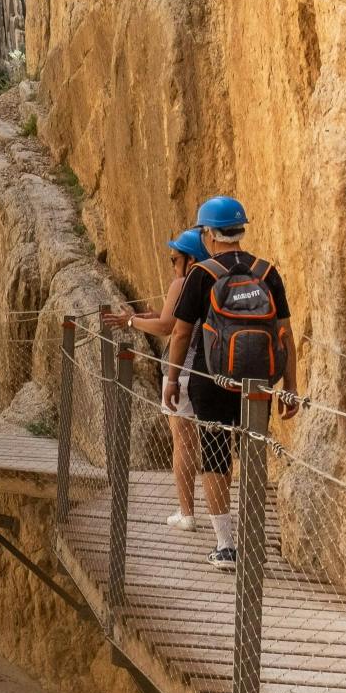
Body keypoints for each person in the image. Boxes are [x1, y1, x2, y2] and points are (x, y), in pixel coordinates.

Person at [165, 196, 299, 572]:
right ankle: (253, 536)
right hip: (258, 378)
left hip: (212, 377)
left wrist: (173, 379)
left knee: (216, 454)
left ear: (209, 232)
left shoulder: (202, 273)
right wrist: (290, 387)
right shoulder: (266, 271)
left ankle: (226, 545)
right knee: (253, 451)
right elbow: (285, 334)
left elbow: (180, 333)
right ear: (240, 230)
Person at [106, 229, 208, 531]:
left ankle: (186, 512)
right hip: (207, 371)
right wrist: (150, 314)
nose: (172, 264)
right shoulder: (212, 280)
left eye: (174, 258)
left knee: (183, 443)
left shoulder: (183, 282)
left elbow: (167, 328)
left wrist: (130, 321)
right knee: (211, 443)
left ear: (190, 259)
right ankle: (219, 516)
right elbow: (175, 319)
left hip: (182, 371)